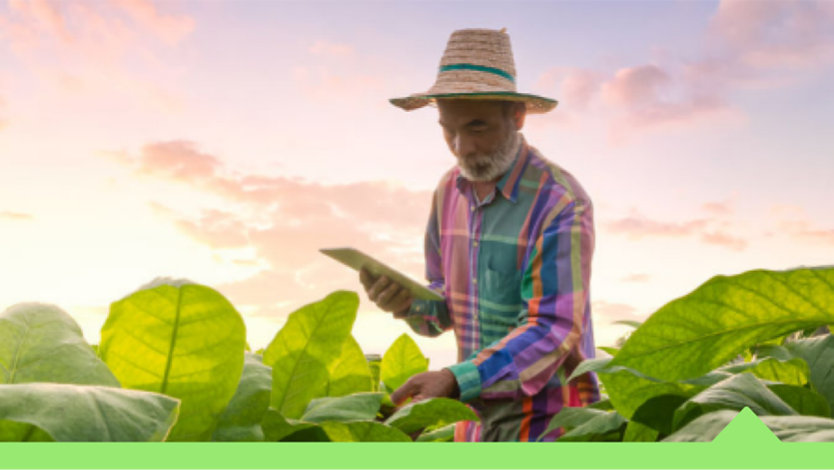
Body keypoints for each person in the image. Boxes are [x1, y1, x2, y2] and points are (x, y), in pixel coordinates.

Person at [360, 28, 599, 442]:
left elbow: (553, 328)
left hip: (550, 425)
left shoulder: (561, 203)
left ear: (518, 115)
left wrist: (455, 380)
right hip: (476, 424)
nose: (462, 147)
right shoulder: (447, 190)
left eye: (478, 127)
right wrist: (407, 301)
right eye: (447, 129)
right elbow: (445, 307)